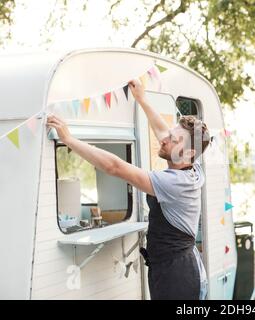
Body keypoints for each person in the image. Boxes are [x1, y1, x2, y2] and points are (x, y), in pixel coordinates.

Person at [46, 79, 210, 300]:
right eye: (170, 135)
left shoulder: (174, 182)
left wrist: (68, 139)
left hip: (177, 275)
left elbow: (115, 167)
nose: (165, 140)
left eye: (173, 140)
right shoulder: (193, 166)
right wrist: (142, 99)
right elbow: (163, 130)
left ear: (189, 153)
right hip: (180, 266)